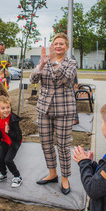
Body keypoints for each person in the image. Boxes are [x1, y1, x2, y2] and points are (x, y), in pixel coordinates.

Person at [30, 33, 77, 195]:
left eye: (61, 44)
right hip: (44, 109)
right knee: (46, 144)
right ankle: (52, 173)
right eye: (56, 43)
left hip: (64, 110)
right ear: (52, 45)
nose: (58, 46)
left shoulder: (71, 63)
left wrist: (54, 61)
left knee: (63, 146)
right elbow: (32, 79)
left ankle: (65, 178)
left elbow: (65, 78)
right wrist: (41, 65)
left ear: (67, 47)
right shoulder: (46, 61)